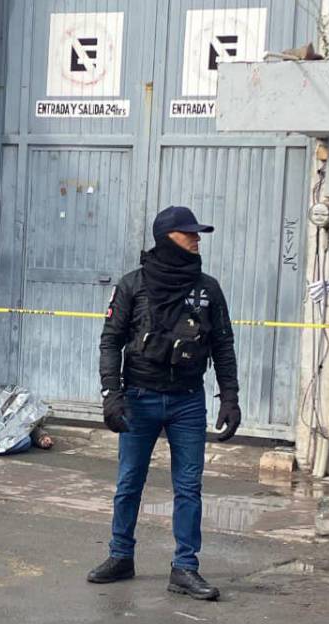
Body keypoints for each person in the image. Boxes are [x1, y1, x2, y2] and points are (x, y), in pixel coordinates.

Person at [90, 206, 241, 601]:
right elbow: (111, 341)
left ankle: (185, 568)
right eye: (187, 233)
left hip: (187, 402)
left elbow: (223, 344)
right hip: (139, 397)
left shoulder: (207, 289)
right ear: (166, 237)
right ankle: (120, 555)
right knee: (129, 484)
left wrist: (230, 397)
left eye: (197, 234)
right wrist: (112, 394)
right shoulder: (132, 286)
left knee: (189, 487)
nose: (196, 239)